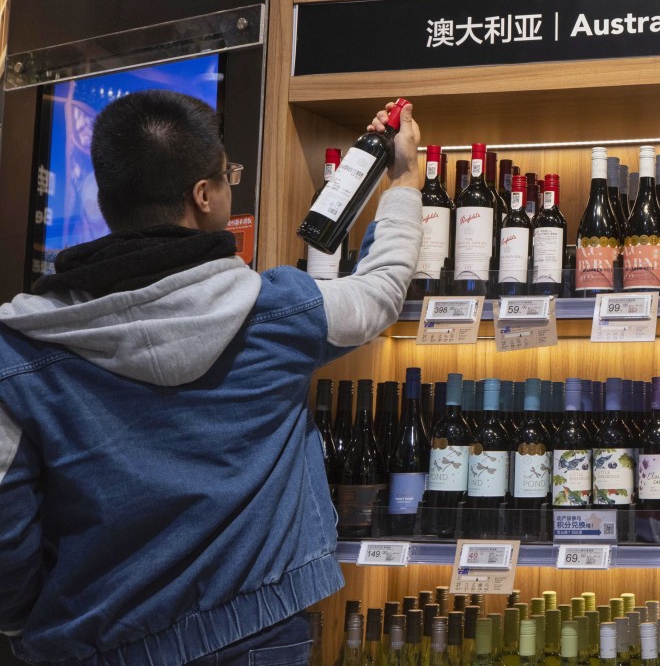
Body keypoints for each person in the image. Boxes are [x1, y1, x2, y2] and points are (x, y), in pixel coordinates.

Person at [0, 90, 422, 665]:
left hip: (94, 644)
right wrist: (403, 181)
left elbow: (8, 527)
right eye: (229, 175)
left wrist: (25, 626)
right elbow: (380, 292)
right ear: (203, 196)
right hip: (255, 633)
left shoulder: (20, 349)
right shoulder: (277, 313)